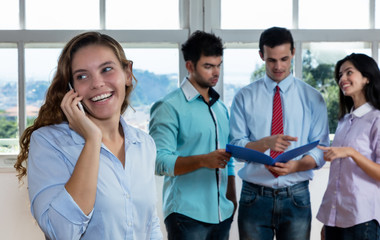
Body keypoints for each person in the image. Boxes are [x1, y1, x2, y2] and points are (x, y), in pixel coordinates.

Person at [14, 32, 162, 240]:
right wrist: (92, 140)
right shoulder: (49, 142)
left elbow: (149, 222)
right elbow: (60, 232)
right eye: (82, 76)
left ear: (127, 73)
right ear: (71, 89)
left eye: (107, 69)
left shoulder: (144, 144)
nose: (97, 83)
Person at [229, 26, 330, 240]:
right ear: (261, 56)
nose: (278, 66)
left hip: (296, 195)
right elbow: (236, 148)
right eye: (271, 60)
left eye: (284, 59)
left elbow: (320, 150)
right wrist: (264, 143)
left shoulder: (313, 98)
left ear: (293, 52)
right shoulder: (244, 97)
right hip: (254, 195)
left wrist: (296, 166)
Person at [149, 30, 236, 240]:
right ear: (190, 66)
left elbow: (229, 157)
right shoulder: (168, 107)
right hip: (186, 216)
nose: (215, 72)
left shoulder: (221, 108)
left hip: (222, 214)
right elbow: (159, 161)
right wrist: (204, 160)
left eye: (218, 65)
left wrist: (231, 200)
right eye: (208, 66)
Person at [317, 53, 380, 240]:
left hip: (363, 219)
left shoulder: (377, 119)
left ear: (367, 78)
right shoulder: (345, 121)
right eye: (340, 75)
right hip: (335, 219)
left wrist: (352, 153)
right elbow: (338, 177)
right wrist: (328, 221)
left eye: (349, 72)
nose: (342, 79)